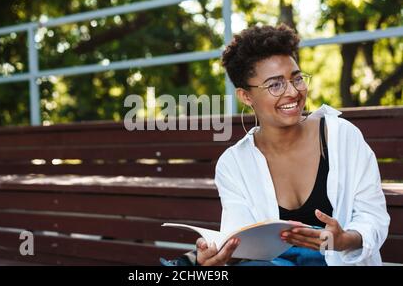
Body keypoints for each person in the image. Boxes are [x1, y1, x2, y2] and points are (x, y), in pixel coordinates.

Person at [161, 24, 389, 266]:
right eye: (275, 84)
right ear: (246, 96)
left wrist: (343, 240)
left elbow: (372, 217)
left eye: (297, 78)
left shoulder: (342, 137)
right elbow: (242, 244)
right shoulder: (233, 163)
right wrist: (214, 260)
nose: (293, 91)